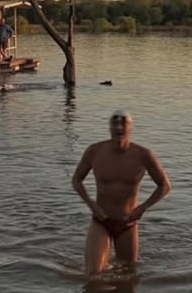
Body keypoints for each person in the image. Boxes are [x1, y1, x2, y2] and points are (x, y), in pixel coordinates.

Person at [71, 110, 171, 275]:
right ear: (109, 127)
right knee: (93, 275)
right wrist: (91, 204)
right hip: (101, 220)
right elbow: (76, 180)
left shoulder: (143, 155)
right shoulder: (95, 151)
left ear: (130, 127)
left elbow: (164, 186)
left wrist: (143, 207)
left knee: (128, 276)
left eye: (123, 123)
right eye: (114, 123)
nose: (118, 126)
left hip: (127, 223)